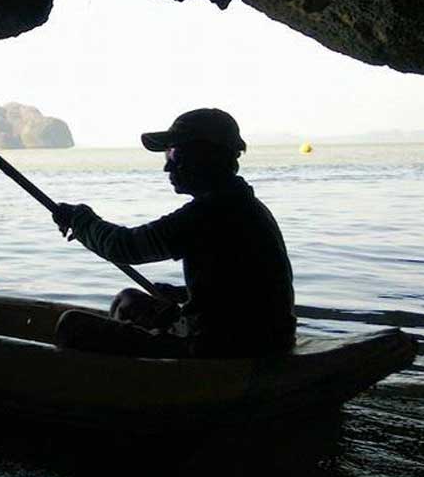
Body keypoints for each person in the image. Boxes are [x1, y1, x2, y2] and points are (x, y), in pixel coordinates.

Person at [52, 108, 295, 358]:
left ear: (206, 156)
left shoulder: (210, 213)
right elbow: (242, 287)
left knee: (71, 326)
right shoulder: (243, 205)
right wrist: (185, 294)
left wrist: (79, 219)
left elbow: (124, 247)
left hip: (228, 349)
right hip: (267, 338)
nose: (167, 166)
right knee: (128, 301)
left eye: (174, 153)